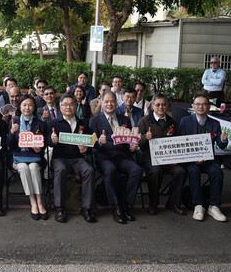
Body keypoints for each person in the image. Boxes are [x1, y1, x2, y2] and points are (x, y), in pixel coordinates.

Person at [89, 91, 142, 224]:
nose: (109, 104)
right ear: (101, 103)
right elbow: (92, 144)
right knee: (110, 170)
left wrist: (132, 147)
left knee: (137, 170)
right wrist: (99, 143)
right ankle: (116, 206)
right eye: (106, 101)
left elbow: (129, 140)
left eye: (112, 101)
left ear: (117, 103)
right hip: (104, 157)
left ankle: (127, 204)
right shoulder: (94, 120)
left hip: (122, 156)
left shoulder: (124, 120)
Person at [179, 95, 229, 222]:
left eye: (204, 104)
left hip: (208, 160)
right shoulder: (185, 121)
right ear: (193, 106)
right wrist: (192, 158)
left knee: (217, 171)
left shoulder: (215, 123)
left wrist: (223, 139)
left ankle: (214, 206)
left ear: (208, 107)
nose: (201, 107)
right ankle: (198, 205)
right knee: (194, 171)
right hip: (190, 160)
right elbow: (179, 143)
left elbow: (221, 145)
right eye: (198, 104)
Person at [48, 94, 96, 223]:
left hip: (78, 159)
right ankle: (60, 208)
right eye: (65, 104)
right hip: (60, 158)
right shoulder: (53, 123)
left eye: (71, 104)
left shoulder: (83, 124)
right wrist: (53, 141)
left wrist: (86, 149)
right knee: (61, 170)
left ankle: (87, 208)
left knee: (89, 170)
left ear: (76, 106)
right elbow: (47, 143)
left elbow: (90, 142)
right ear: (60, 107)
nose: (68, 107)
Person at [137, 94, 187, 216]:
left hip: (167, 158)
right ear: (152, 106)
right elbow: (137, 142)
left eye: (164, 104)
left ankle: (173, 203)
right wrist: (145, 138)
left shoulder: (172, 121)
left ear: (167, 106)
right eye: (158, 104)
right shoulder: (144, 121)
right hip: (148, 158)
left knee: (180, 171)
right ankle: (153, 204)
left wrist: (175, 158)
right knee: (155, 171)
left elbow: (177, 142)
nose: (161, 107)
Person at [7, 95, 48, 220]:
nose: (27, 107)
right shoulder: (14, 122)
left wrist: (39, 148)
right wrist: (12, 133)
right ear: (20, 107)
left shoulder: (40, 123)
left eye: (30, 105)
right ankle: (33, 201)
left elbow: (45, 142)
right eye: (24, 105)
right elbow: (9, 145)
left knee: (34, 167)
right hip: (18, 157)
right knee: (24, 168)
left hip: (35, 157)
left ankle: (40, 200)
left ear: (34, 107)